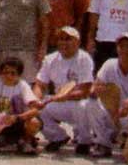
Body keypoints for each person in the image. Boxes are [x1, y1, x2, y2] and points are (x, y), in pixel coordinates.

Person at [82, 33, 128, 158]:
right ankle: (103, 143)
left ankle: (125, 136)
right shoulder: (109, 64)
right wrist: (95, 91)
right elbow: (96, 85)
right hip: (113, 112)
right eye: (122, 46)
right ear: (117, 49)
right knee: (90, 104)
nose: (125, 50)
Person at [33, 26, 94, 155]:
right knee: (38, 108)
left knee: (83, 106)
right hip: (58, 100)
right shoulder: (50, 59)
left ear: (77, 42)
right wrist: (35, 100)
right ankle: (58, 137)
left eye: (68, 39)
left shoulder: (84, 58)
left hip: (78, 102)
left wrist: (66, 96)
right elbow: (40, 84)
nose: (63, 42)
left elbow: (86, 91)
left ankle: (84, 141)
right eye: (61, 39)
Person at [0, 57, 42, 155]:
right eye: (5, 72)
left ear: (19, 75)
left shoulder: (23, 85)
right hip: (0, 121)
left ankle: (25, 141)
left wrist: (17, 117)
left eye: (12, 73)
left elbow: (35, 109)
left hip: (18, 120)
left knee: (34, 122)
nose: (8, 76)